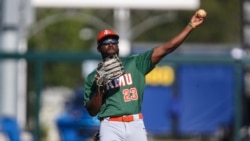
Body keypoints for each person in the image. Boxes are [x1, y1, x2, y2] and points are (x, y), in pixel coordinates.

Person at [83, 10, 205, 141]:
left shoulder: (135, 63)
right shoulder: (93, 77)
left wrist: (190, 26)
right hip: (110, 124)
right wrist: (101, 88)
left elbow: (167, 47)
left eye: (113, 40)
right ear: (99, 48)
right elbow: (92, 111)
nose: (111, 43)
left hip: (135, 123)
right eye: (105, 42)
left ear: (118, 45)